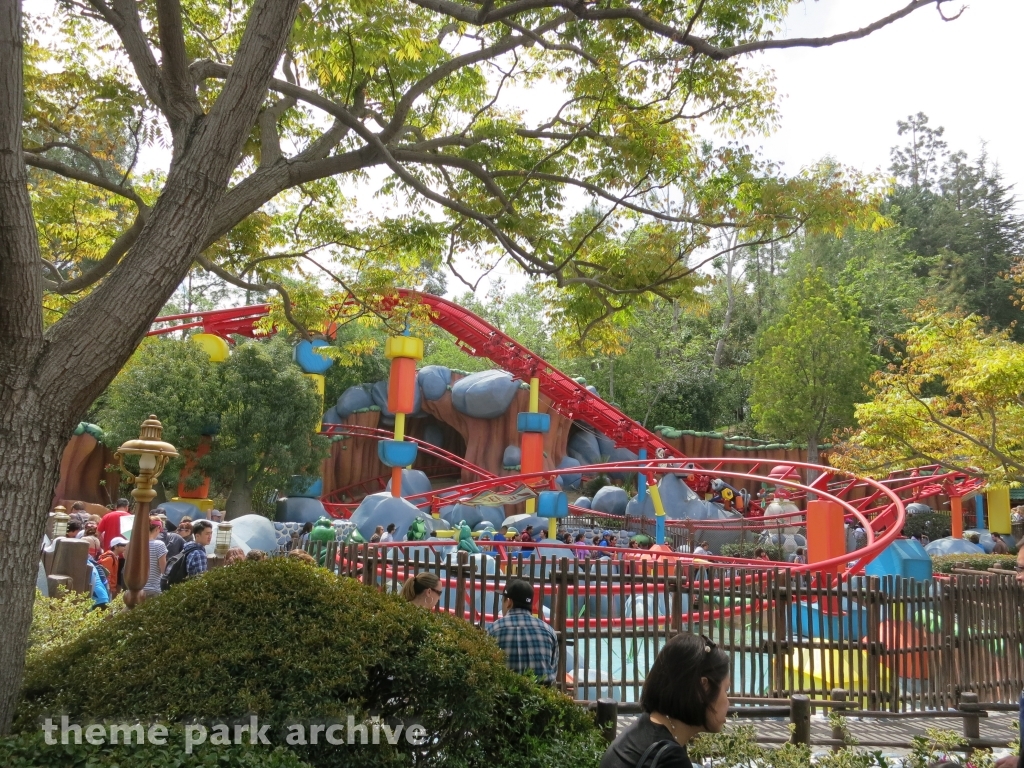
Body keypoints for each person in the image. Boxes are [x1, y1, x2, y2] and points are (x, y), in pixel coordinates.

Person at [601, 632, 730, 768]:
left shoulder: (644, 730)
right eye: (726, 690)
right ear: (703, 687)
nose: (728, 702)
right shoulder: (669, 759)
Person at [486, 579, 557, 685]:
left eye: (503, 600)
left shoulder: (493, 630)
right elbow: (553, 672)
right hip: (542, 699)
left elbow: (487, 672)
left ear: (509, 602)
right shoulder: (549, 632)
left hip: (504, 699)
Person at [142, 519, 168, 600]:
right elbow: (164, 570)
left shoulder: (138, 544)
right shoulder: (159, 545)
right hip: (153, 589)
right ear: (157, 528)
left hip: (137, 589)